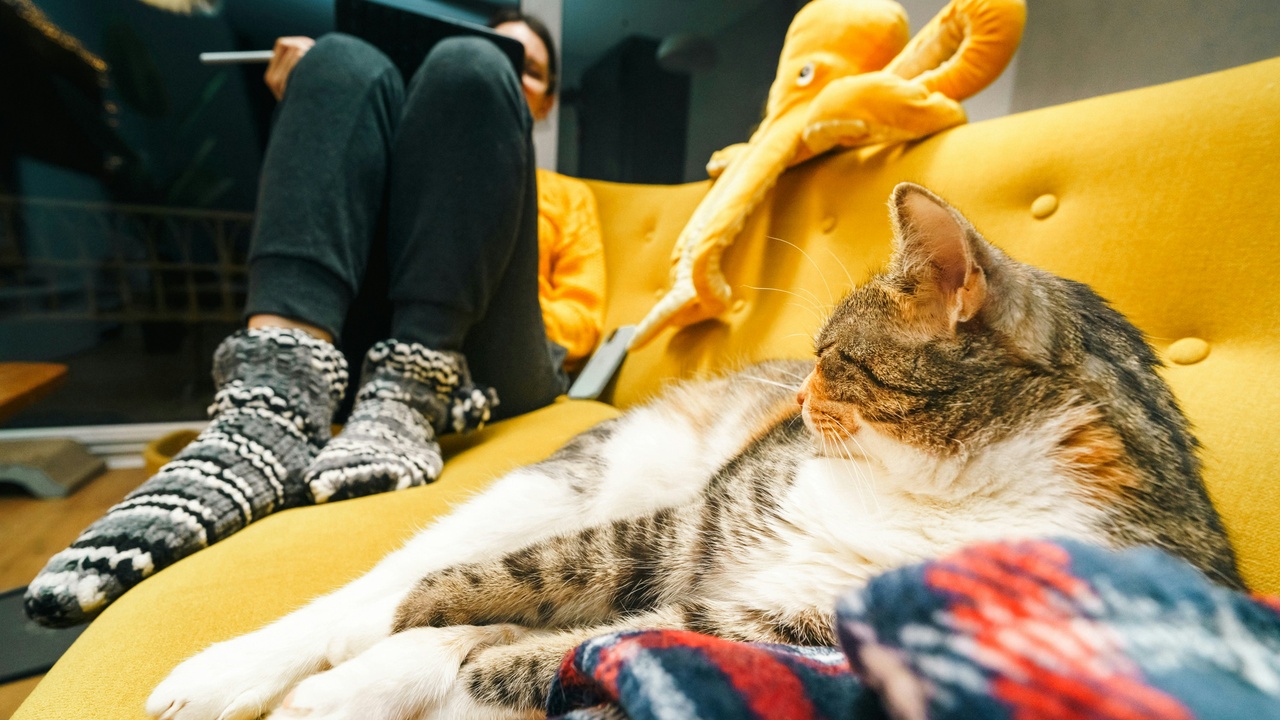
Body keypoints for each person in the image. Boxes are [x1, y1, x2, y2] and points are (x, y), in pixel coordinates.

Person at [25, 11, 607, 627]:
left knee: (471, 67)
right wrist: (316, 106)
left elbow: (583, 319)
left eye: (530, 70)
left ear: (542, 104)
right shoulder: (385, 138)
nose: (523, 79)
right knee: (338, 63)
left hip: (488, 363)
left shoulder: (568, 196)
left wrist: (475, 248)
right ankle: (273, 402)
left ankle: (417, 380)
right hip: (366, 353)